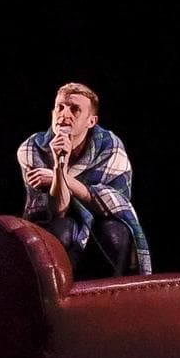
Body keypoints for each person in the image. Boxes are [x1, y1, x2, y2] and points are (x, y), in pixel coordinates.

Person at [17, 82, 151, 278]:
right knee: (62, 229)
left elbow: (115, 203)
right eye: (60, 107)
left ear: (91, 121)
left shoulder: (109, 146)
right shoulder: (32, 149)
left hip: (99, 222)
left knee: (116, 232)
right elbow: (57, 210)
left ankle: (109, 295)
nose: (64, 114)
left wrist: (60, 179)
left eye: (74, 109)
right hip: (55, 225)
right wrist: (60, 165)